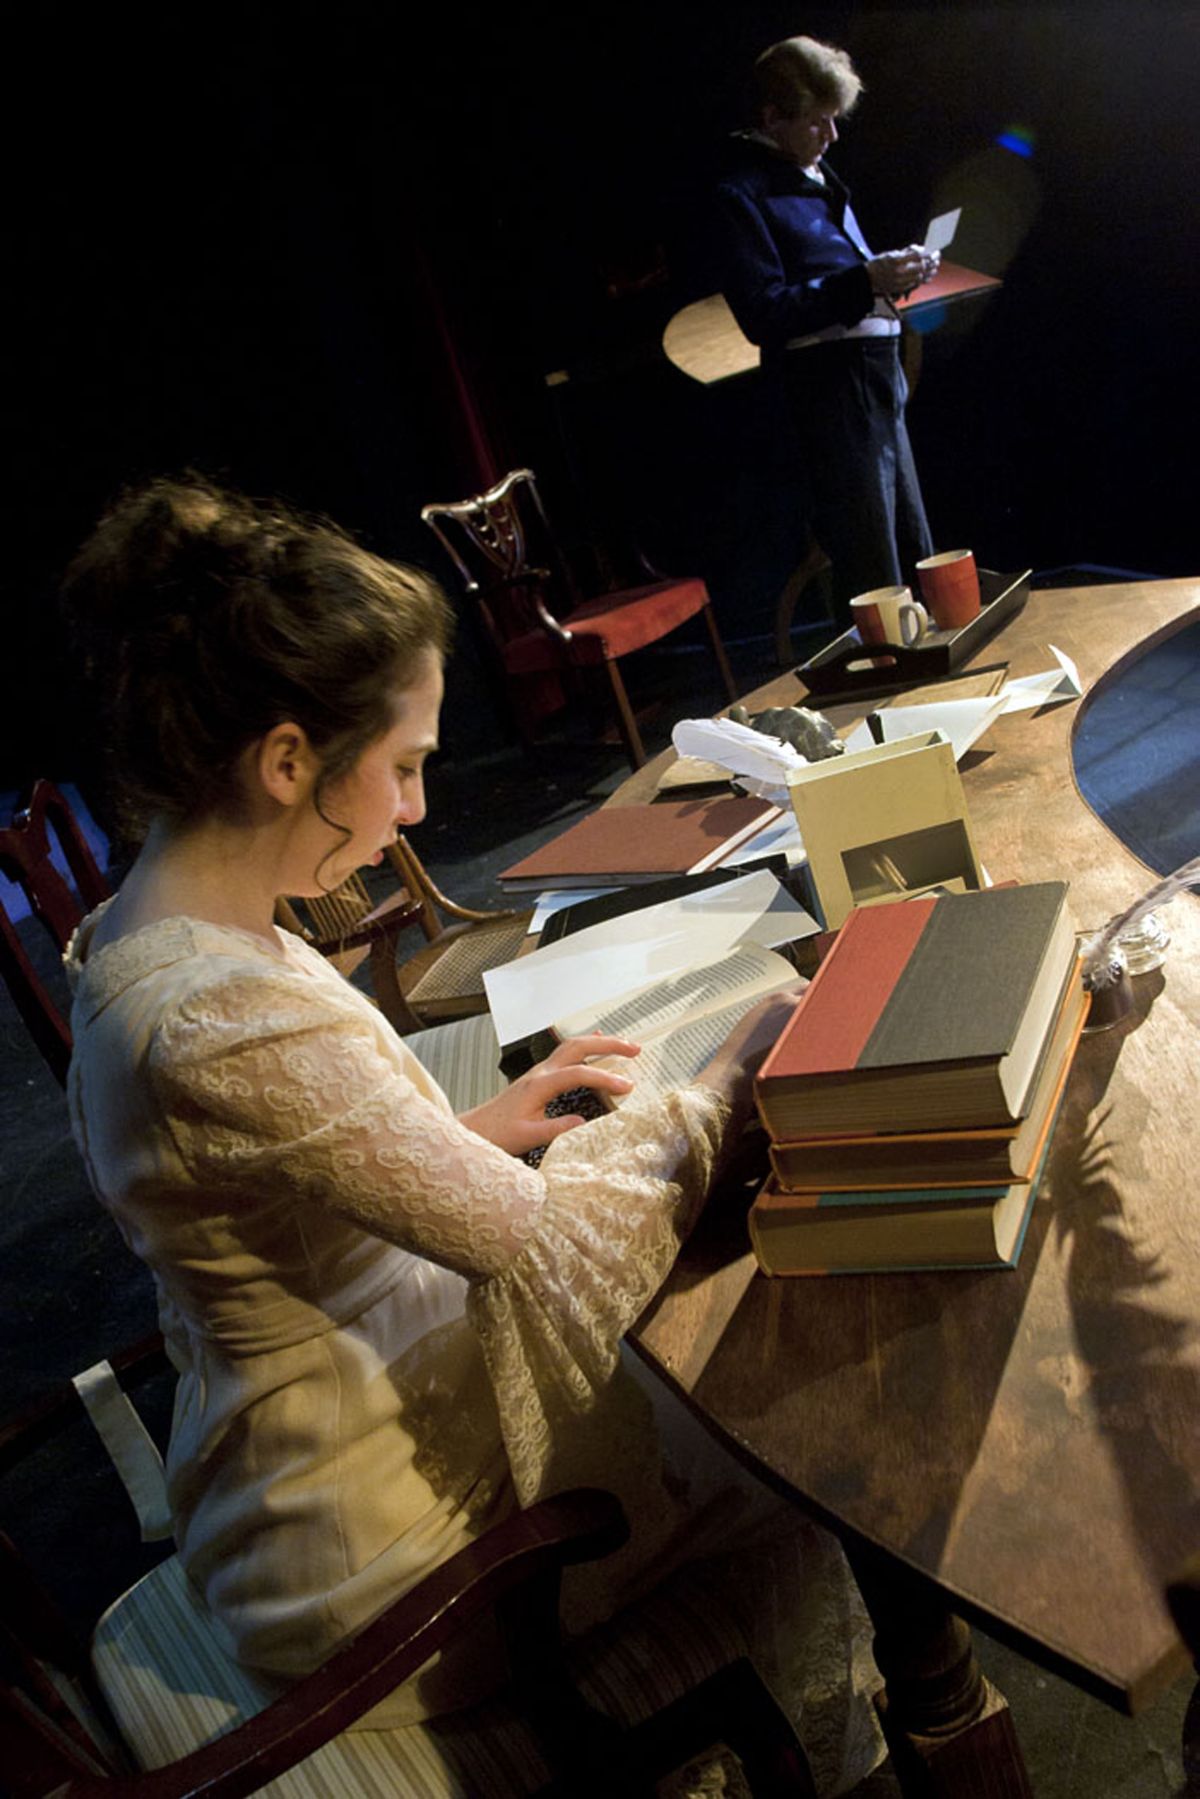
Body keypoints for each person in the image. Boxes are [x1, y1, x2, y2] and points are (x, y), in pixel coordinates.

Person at [60, 474, 882, 1786]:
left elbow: (281, 1176)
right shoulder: (219, 1016)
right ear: (287, 761)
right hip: (363, 1542)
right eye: (402, 767)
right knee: (801, 1455)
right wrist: (724, 1080)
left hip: (286, 1453)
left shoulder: (162, 920)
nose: (415, 810)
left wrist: (465, 1127)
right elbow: (551, 1249)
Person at [714, 34, 940, 623]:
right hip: (832, 386)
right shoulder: (742, 195)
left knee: (912, 547)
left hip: (877, 376)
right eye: (818, 121)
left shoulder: (815, 175)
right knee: (874, 562)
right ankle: (889, 674)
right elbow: (765, 314)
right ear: (772, 119)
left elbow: (840, 275)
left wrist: (893, 275)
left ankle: (934, 666)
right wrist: (864, 281)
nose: (832, 135)